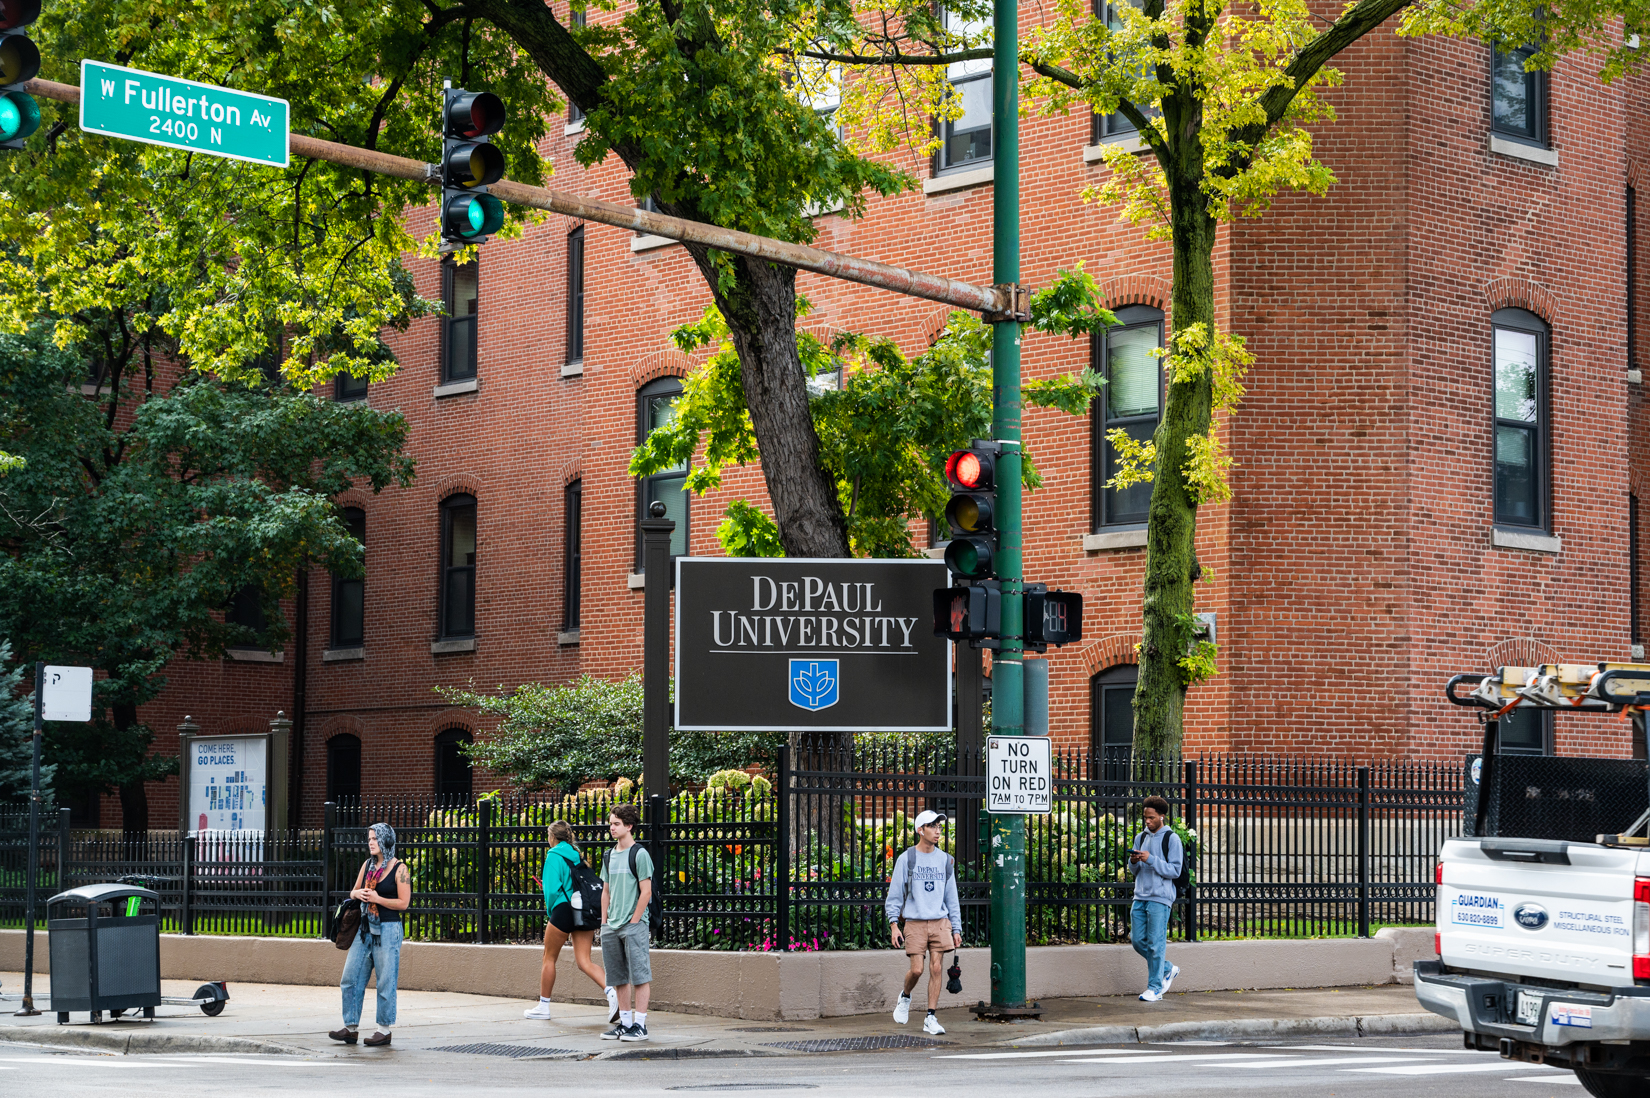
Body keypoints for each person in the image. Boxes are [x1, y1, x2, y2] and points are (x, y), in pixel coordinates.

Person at [525, 820, 620, 1023]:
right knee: (584, 961)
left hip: (563, 909)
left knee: (549, 958)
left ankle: (543, 1006)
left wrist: (553, 912)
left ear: (552, 837)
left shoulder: (553, 855)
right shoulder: (577, 855)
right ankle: (613, 993)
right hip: (582, 909)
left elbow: (551, 891)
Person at [331, 822, 410, 1047]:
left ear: (387, 840)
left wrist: (378, 899)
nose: (371, 843)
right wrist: (361, 893)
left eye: (375, 838)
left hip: (388, 929)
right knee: (350, 978)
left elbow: (404, 903)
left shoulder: (400, 869)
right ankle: (350, 1027)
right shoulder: (367, 866)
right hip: (365, 929)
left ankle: (383, 1030)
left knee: (385, 980)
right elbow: (353, 892)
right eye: (369, 839)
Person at [883, 808, 961, 1036]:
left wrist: (956, 927)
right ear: (920, 830)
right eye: (932, 827)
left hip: (940, 921)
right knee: (916, 970)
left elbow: (951, 897)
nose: (937, 832)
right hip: (915, 922)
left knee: (936, 968)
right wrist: (893, 925)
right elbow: (895, 895)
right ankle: (905, 996)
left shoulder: (946, 860)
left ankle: (930, 1017)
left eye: (939, 827)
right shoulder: (907, 858)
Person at [599, 803, 653, 1042]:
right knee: (618, 977)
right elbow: (605, 891)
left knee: (639, 975)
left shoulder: (639, 854)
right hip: (612, 925)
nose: (612, 828)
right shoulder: (609, 855)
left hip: (633, 924)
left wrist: (634, 920)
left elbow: (646, 891)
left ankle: (640, 1026)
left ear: (629, 826)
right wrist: (604, 922)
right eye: (611, 823)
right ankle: (626, 1023)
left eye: (616, 824)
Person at [1128, 795, 1184, 1003]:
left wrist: (1150, 859)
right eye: (1145, 818)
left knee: (1156, 943)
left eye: (1151, 818)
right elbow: (1134, 870)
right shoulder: (1141, 837)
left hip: (1160, 898)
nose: (1147, 821)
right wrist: (1134, 861)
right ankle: (1168, 968)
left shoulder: (1172, 839)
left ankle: (1155, 989)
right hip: (1140, 895)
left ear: (1162, 816)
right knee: (1137, 941)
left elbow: (1175, 870)